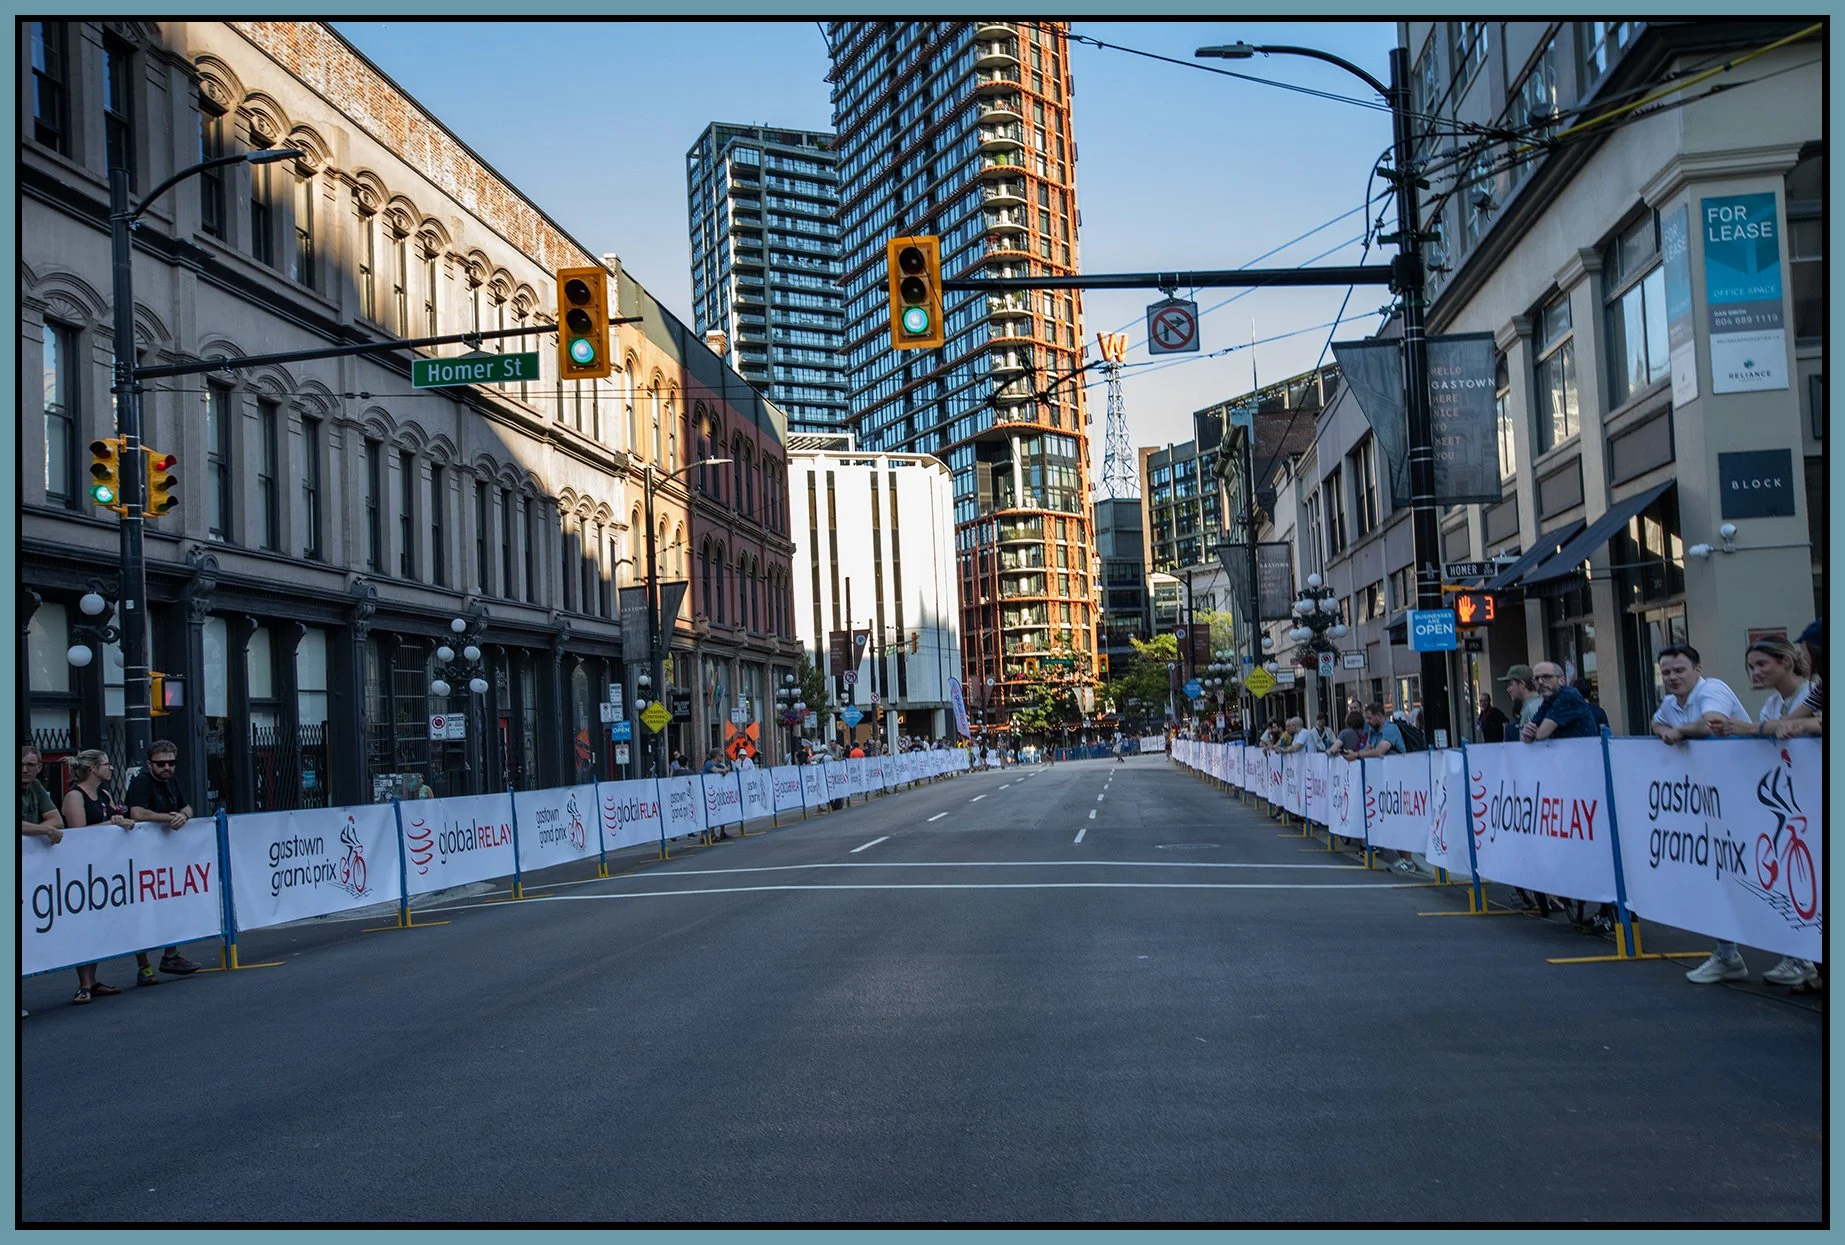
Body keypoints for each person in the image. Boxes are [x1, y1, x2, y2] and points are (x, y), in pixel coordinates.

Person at [1706, 635, 1816, 988]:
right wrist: (1759, 730)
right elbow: (1776, 732)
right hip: (1786, 796)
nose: (1755, 672)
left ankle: (1805, 958)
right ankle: (1799, 956)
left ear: (1786, 662)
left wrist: (1756, 729)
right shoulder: (1774, 703)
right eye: (1751, 666)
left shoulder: (1810, 691)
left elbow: (1804, 727)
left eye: (1762, 664)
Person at [1648, 643, 1753, 985]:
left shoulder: (1713, 690)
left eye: (1679, 670)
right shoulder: (1670, 702)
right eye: (1666, 672)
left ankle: (1797, 958)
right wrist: (1667, 731)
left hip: (1744, 797)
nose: (1673, 677)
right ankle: (1727, 955)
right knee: (1716, 877)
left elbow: (1713, 723)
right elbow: (1657, 721)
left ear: (1697, 669)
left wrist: (1681, 732)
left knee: (1757, 877)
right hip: (1707, 803)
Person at [60, 750, 135, 1004]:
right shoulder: (74, 796)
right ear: (92, 769)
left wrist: (121, 821)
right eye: (106, 764)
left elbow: (115, 817)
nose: (111, 768)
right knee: (84, 925)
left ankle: (93, 980)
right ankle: (83, 984)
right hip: (80, 870)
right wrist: (113, 824)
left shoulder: (103, 793)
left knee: (99, 925)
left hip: (103, 869)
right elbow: (78, 834)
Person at [123, 739, 204, 978]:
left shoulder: (171, 781)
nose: (167, 768)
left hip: (167, 857)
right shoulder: (141, 783)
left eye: (171, 763)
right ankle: (144, 966)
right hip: (142, 856)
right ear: (150, 764)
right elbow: (137, 813)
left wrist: (183, 816)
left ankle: (171, 954)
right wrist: (167, 818)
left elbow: (187, 807)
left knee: (169, 904)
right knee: (143, 910)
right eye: (161, 764)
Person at [1352, 704, 1417, 873]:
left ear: (1379, 716)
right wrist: (1355, 754)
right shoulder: (1373, 731)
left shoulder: (1390, 730)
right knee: (1388, 822)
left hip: (1397, 781)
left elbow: (1380, 751)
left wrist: (1357, 755)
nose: (1367, 721)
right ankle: (1404, 858)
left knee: (1396, 821)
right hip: (1383, 782)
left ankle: (1408, 860)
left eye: (1369, 718)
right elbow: (1368, 749)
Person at [20, 746, 64, 843]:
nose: (24, 770)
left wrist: (31, 831)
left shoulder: (35, 785)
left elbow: (57, 820)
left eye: (30, 765)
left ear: (39, 768)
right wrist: (46, 830)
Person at [1497, 665, 1542, 742]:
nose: (1508, 690)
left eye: (1511, 684)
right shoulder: (1533, 705)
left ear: (1522, 684)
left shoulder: (1533, 707)